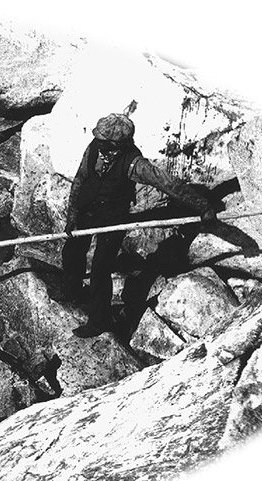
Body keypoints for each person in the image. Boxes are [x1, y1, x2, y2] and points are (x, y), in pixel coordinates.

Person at [62, 112, 216, 338]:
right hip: (88, 208)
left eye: (105, 141)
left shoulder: (135, 163)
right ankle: (72, 292)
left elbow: (167, 184)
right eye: (99, 139)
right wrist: (72, 216)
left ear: (119, 143)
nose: (99, 143)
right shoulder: (95, 147)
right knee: (72, 251)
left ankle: (98, 321)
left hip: (113, 217)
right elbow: (80, 179)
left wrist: (203, 206)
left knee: (100, 268)